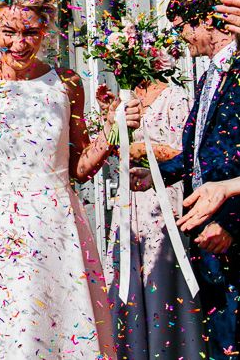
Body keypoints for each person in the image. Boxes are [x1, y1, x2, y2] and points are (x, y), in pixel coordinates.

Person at [0, 0, 116, 360]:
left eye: (31, 33)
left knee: (58, 328)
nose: (19, 44)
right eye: (9, 32)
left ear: (45, 32)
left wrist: (114, 128)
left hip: (56, 224)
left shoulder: (66, 83)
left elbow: (80, 167)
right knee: (1, 325)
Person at [132, 0, 240, 358]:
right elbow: (198, 152)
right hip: (203, 219)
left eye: (183, 28)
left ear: (209, 22)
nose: (181, 38)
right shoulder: (209, 75)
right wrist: (156, 176)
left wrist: (229, 221)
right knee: (221, 332)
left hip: (227, 225)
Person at [98, 77, 205, 358]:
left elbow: (187, 153)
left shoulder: (176, 98)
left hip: (162, 200)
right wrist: (111, 124)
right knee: (128, 278)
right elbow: (113, 156)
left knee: (161, 278)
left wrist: (144, 150)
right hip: (130, 203)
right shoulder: (125, 101)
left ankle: (169, 348)